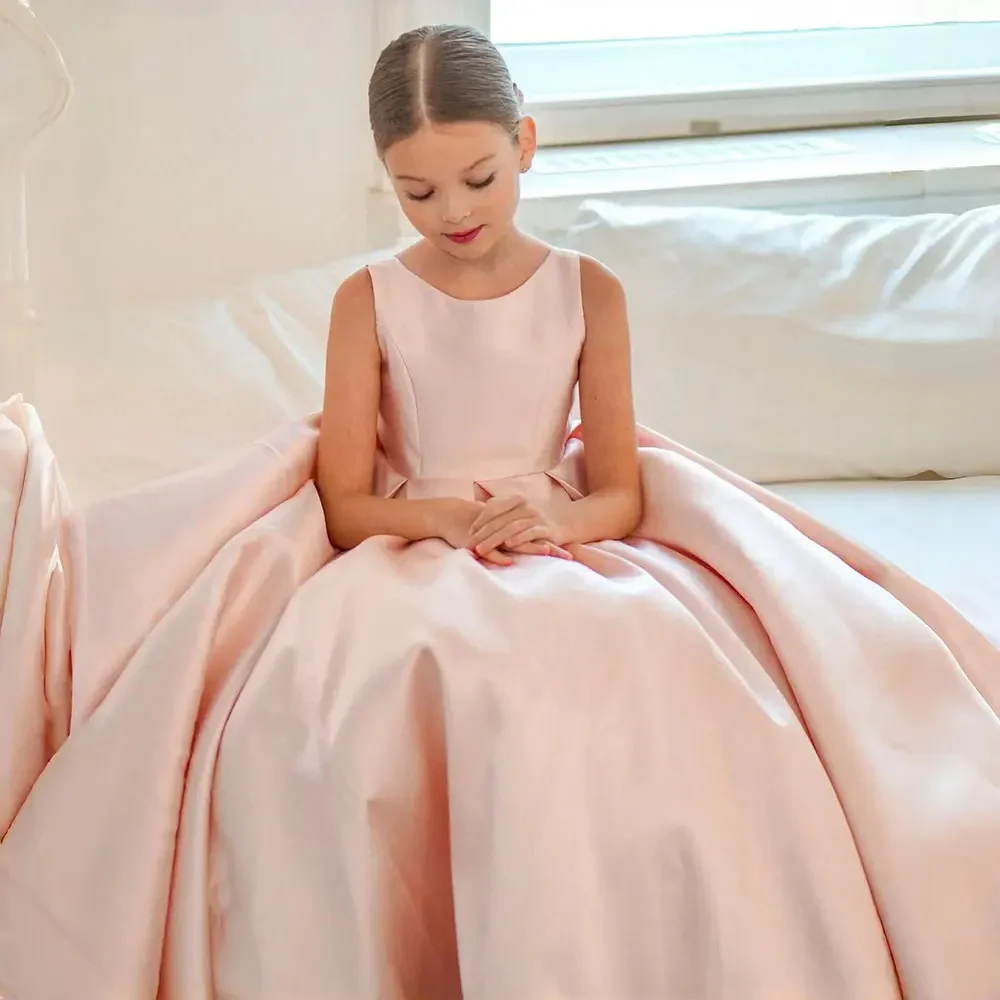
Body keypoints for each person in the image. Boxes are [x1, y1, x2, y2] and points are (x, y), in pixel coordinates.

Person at [0, 23, 998, 1000]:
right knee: (377, 682)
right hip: (413, 545)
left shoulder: (586, 290)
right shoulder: (370, 299)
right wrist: (437, 521)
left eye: (478, 177)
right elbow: (347, 502)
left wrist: (553, 523)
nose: (452, 212)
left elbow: (617, 484)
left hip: (552, 537)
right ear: (386, 176)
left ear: (524, 142)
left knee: (635, 660)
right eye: (416, 190)